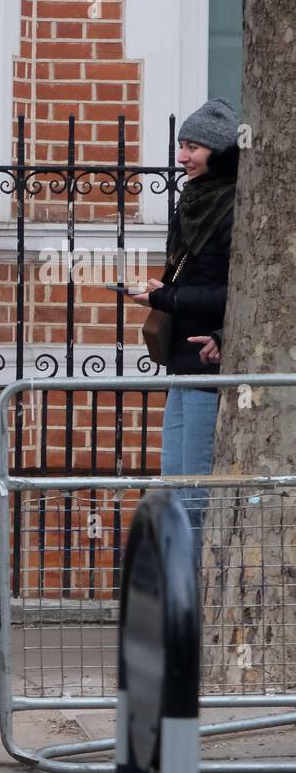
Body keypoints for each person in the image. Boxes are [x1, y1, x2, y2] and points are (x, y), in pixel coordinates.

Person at [130, 97, 239, 543]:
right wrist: (162, 292)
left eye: (193, 146)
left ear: (220, 151)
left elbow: (239, 293)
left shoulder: (236, 208)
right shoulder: (193, 200)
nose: (182, 156)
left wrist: (170, 299)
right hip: (183, 362)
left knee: (193, 492)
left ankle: (194, 599)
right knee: (173, 485)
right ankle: (179, 594)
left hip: (207, 364)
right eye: (181, 145)